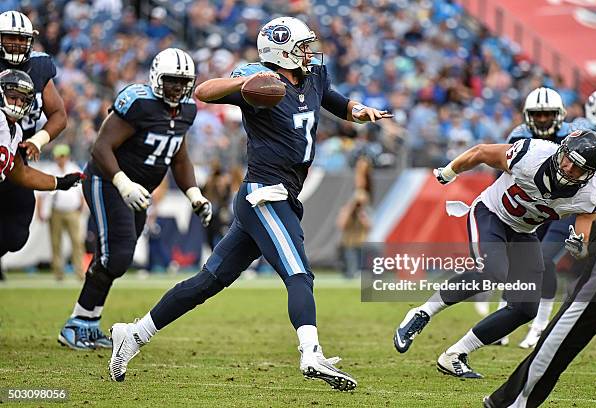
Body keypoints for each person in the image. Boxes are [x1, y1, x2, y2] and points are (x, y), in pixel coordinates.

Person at [107, 16, 392, 390]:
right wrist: (246, 84)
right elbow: (206, 91)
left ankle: (134, 333)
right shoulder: (261, 82)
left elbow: (335, 102)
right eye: (302, 46)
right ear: (282, 49)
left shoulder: (314, 76)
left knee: (208, 281)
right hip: (265, 193)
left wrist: (358, 110)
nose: (309, 52)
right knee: (299, 273)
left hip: (283, 192)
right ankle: (311, 352)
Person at [393, 129, 596, 378]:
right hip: (491, 214)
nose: (568, 168)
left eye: (578, 168)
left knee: (526, 308)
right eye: (568, 159)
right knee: (492, 273)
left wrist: (578, 247)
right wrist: (448, 172)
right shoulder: (533, 154)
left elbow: (582, 239)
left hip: (524, 233)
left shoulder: (594, 194)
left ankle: (455, 354)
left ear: (590, 174)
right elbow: (481, 152)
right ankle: (422, 313)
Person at [57, 48, 212, 350]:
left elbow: (179, 159)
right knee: (116, 256)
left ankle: (85, 323)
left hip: (137, 190)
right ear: (155, 77)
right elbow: (100, 147)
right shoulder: (139, 103)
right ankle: (77, 323)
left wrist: (194, 194)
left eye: (183, 82)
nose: (178, 88)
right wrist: (122, 182)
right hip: (107, 180)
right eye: (171, 81)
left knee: (115, 258)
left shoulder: (187, 111)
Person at [484, 143, 596, 408]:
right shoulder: (534, 150)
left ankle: (513, 400)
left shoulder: (593, 186)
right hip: (529, 216)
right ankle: (512, 400)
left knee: (571, 323)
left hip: (569, 217)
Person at [499, 87, 594, 349]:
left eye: (547, 114)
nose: (542, 119)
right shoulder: (518, 135)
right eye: (537, 115)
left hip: (564, 209)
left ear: (559, 114)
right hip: (532, 209)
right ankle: (505, 320)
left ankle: (539, 326)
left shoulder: (576, 133)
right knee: (517, 261)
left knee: (543, 261)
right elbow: (503, 175)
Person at [0, 10, 68, 280]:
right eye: (10, 38)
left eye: (21, 39)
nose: (17, 44)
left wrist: (36, 140)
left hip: (17, 156)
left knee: (16, 235)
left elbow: (59, 116)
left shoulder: (39, 67)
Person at [0, 70, 81, 199]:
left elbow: (22, 174)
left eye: (23, 99)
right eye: (13, 97)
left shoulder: (16, 131)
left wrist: (59, 182)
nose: (19, 103)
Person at [38, 144, 85, 281]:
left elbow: (81, 191)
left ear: (68, 157)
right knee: (56, 242)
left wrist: (81, 206)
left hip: (72, 211)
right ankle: (58, 273)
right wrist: (40, 210)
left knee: (77, 242)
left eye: (63, 156)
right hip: (56, 211)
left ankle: (80, 272)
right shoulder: (50, 170)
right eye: (59, 156)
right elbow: (41, 194)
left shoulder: (74, 169)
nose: (61, 159)